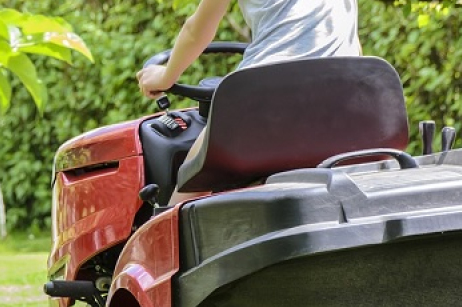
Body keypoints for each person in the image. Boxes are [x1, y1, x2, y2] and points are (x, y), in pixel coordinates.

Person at [136, 0, 362, 204]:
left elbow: (196, 31)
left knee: (189, 184)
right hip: (350, 102)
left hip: (267, 98)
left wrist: (165, 77)